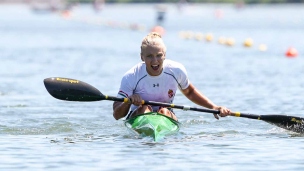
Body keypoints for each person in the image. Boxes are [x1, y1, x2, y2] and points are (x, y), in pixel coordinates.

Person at [113, 32, 230, 121]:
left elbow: (190, 92)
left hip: (166, 113)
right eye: (149, 56)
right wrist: (128, 102)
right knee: (145, 109)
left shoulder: (176, 70)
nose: (155, 61)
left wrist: (214, 107)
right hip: (138, 115)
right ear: (142, 57)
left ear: (165, 55)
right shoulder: (131, 76)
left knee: (164, 111)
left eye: (159, 55)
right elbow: (116, 115)